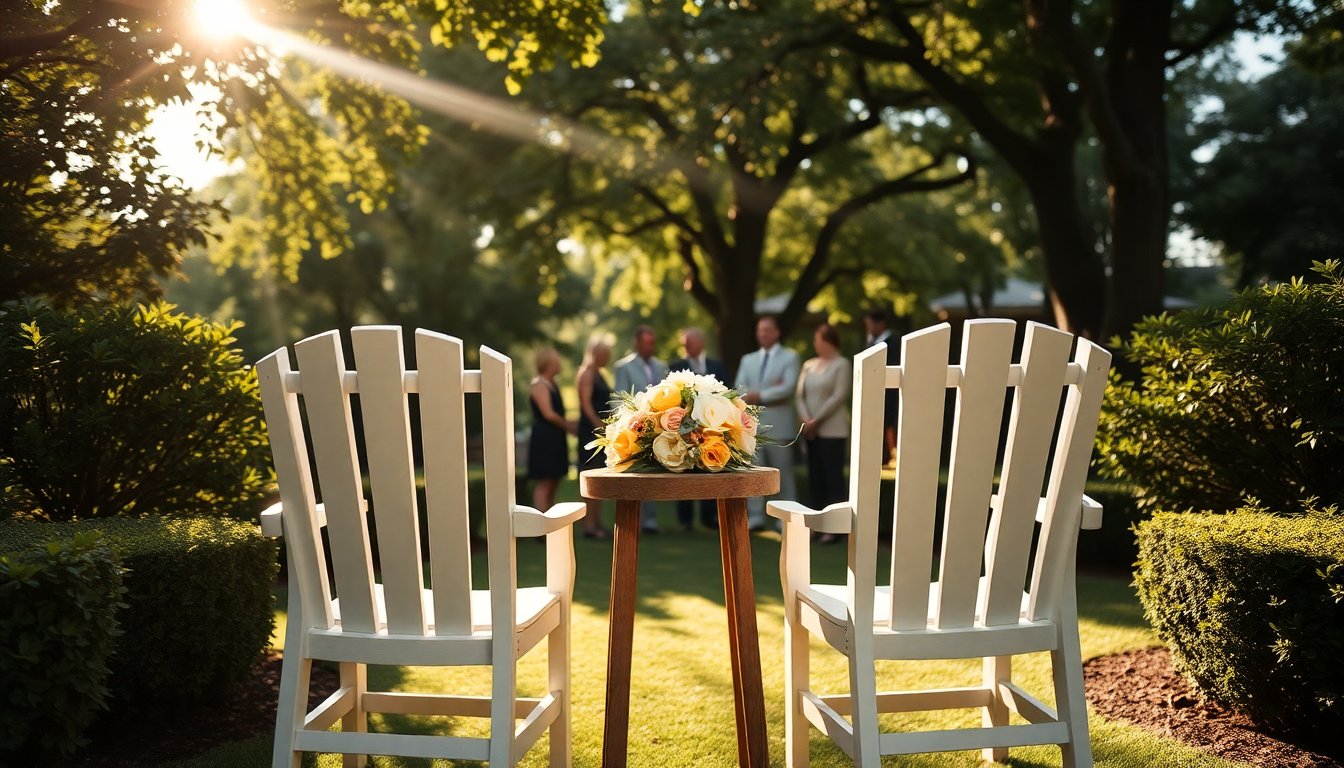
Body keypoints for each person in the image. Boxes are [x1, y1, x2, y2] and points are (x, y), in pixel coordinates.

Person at [735, 315, 800, 531]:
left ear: (776, 332)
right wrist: (760, 394)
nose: (762, 334)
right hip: (752, 425)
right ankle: (755, 516)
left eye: (766, 330)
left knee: (782, 471)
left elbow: (787, 387)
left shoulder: (790, 357)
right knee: (754, 470)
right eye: (759, 330)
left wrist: (760, 395)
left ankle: (786, 517)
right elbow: (739, 388)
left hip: (779, 425)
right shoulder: (748, 359)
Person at [796, 323, 852, 544]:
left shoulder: (842, 365)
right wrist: (806, 421)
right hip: (811, 432)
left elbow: (838, 397)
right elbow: (799, 396)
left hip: (832, 431)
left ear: (827, 340)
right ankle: (816, 527)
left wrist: (816, 420)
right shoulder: (809, 365)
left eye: (817, 339)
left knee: (832, 479)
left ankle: (835, 529)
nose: (815, 343)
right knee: (815, 479)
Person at [668, 327, 728, 531]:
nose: (685, 346)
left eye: (689, 342)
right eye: (684, 343)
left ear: (700, 343)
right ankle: (686, 520)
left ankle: (709, 516)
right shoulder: (675, 367)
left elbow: (726, 392)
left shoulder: (716, 365)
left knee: (710, 464)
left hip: (711, 425)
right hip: (684, 426)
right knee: (684, 468)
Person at [612, 324, 669, 533]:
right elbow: (619, 398)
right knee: (637, 472)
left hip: (660, 426)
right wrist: (629, 422)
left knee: (654, 471)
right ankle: (632, 518)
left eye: (652, 343)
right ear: (636, 343)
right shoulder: (624, 367)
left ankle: (651, 520)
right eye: (646, 343)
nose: (650, 347)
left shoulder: (661, 366)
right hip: (635, 427)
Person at [526, 347, 576, 517]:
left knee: (554, 480)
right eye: (556, 361)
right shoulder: (539, 384)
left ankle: (550, 521)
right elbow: (548, 414)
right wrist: (568, 425)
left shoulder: (552, 384)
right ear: (548, 363)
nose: (559, 365)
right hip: (545, 440)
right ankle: (540, 524)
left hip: (555, 438)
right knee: (545, 483)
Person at [576, 335, 614, 539]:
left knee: (600, 476)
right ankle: (589, 526)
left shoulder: (599, 373)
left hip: (600, 432)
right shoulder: (587, 373)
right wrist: (598, 425)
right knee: (591, 476)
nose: (608, 358)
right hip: (590, 434)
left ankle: (597, 522)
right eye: (606, 354)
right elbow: (586, 404)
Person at [862, 308, 900, 467]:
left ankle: (889, 454)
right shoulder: (872, 341)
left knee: (888, 423)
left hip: (889, 394)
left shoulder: (891, 341)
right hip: (875, 393)